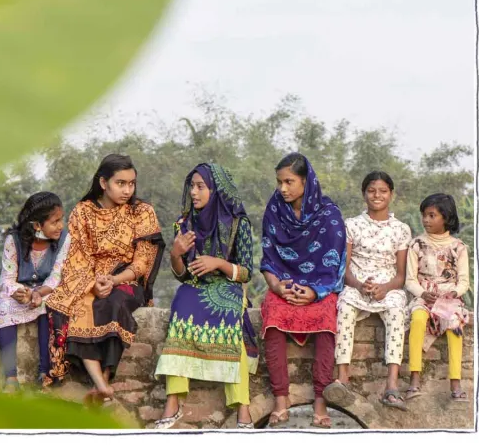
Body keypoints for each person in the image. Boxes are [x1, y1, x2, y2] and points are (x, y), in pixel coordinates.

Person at [43, 154, 165, 405]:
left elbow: (142, 263)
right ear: (103, 183)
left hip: (127, 281)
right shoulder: (83, 211)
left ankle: (103, 382)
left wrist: (114, 280)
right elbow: (77, 255)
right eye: (121, 183)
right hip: (88, 279)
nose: (127, 190)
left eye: (131, 183)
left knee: (112, 304)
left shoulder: (142, 212)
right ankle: (102, 386)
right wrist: (93, 284)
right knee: (69, 303)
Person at [153, 163, 259, 429]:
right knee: (181, 306)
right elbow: (181, 274)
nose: (194, 193)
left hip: (227, 286)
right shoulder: (184, 223)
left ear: (216, 189)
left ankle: (242, 409)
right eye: (192, 186)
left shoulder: (238, 223)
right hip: (195, 286)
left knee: (232, 323)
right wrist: (176, 253)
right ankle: (173, 402)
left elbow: (247, 272)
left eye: (201, 187)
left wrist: (219, 263)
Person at [260, 152, 346, 429]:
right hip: (284, 285)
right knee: (272, 317)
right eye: (279, 182)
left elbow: (335, 262)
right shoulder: (274, 209)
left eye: (289, 181)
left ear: (306, 181)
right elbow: (268, 256)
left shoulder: (328, 213)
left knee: (326, 321)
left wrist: (315, 292)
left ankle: (320, 400)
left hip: (319, 288)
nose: (283, 188)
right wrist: (276, 285)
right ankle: (281, 399)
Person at [325, 171, 412, 411]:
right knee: (344, 307)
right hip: (357, 286)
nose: (377, 195)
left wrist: (385, 288)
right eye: (372, 190)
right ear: (364, 194)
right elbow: (345, 269)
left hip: (388, 288)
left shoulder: (401, 229)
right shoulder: (351, 225)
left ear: (391, 195)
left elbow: (401, 276)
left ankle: (391, 385)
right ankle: (343, 378)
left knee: (397, 312)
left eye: (383, 191)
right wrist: (359, 285)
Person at [0, 191, 69, 392]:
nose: (61, 225)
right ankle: (11, 378)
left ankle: (44, 374)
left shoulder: (65, 240)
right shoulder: (14, 240)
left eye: (61, 219)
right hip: (18, 291)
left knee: (51, 307)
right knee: (3, 307)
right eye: (55, 221)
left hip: (48, 290)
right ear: (37, 225)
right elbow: (8, 277)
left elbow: (56, 276)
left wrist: (39, 293)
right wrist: (20, 293)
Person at [405, 193, 471, 403]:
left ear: (446, 218)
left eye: (432, 215)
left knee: (454, 326)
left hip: (449, 299)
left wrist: (454, 293)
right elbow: (409, 280)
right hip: (424, 297)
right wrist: (423, 293)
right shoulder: (416, 245)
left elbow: (463, 281)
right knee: (417, 320)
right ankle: (414, 379)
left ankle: (455, 382)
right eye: (424, 215)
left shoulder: (458, 247)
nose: (426, 220)